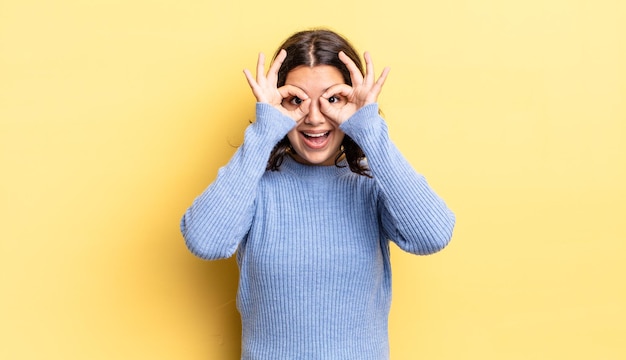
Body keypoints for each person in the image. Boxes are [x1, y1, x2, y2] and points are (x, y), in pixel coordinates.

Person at [180, 28, 455, 360]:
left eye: (332, 99)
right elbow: (204, 242)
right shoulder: (253, 184)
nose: (313, 117)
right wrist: (264, 132)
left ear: (352, 101)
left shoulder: (372, 182)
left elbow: (433, 235)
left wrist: (368, 130)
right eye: (295, 100)